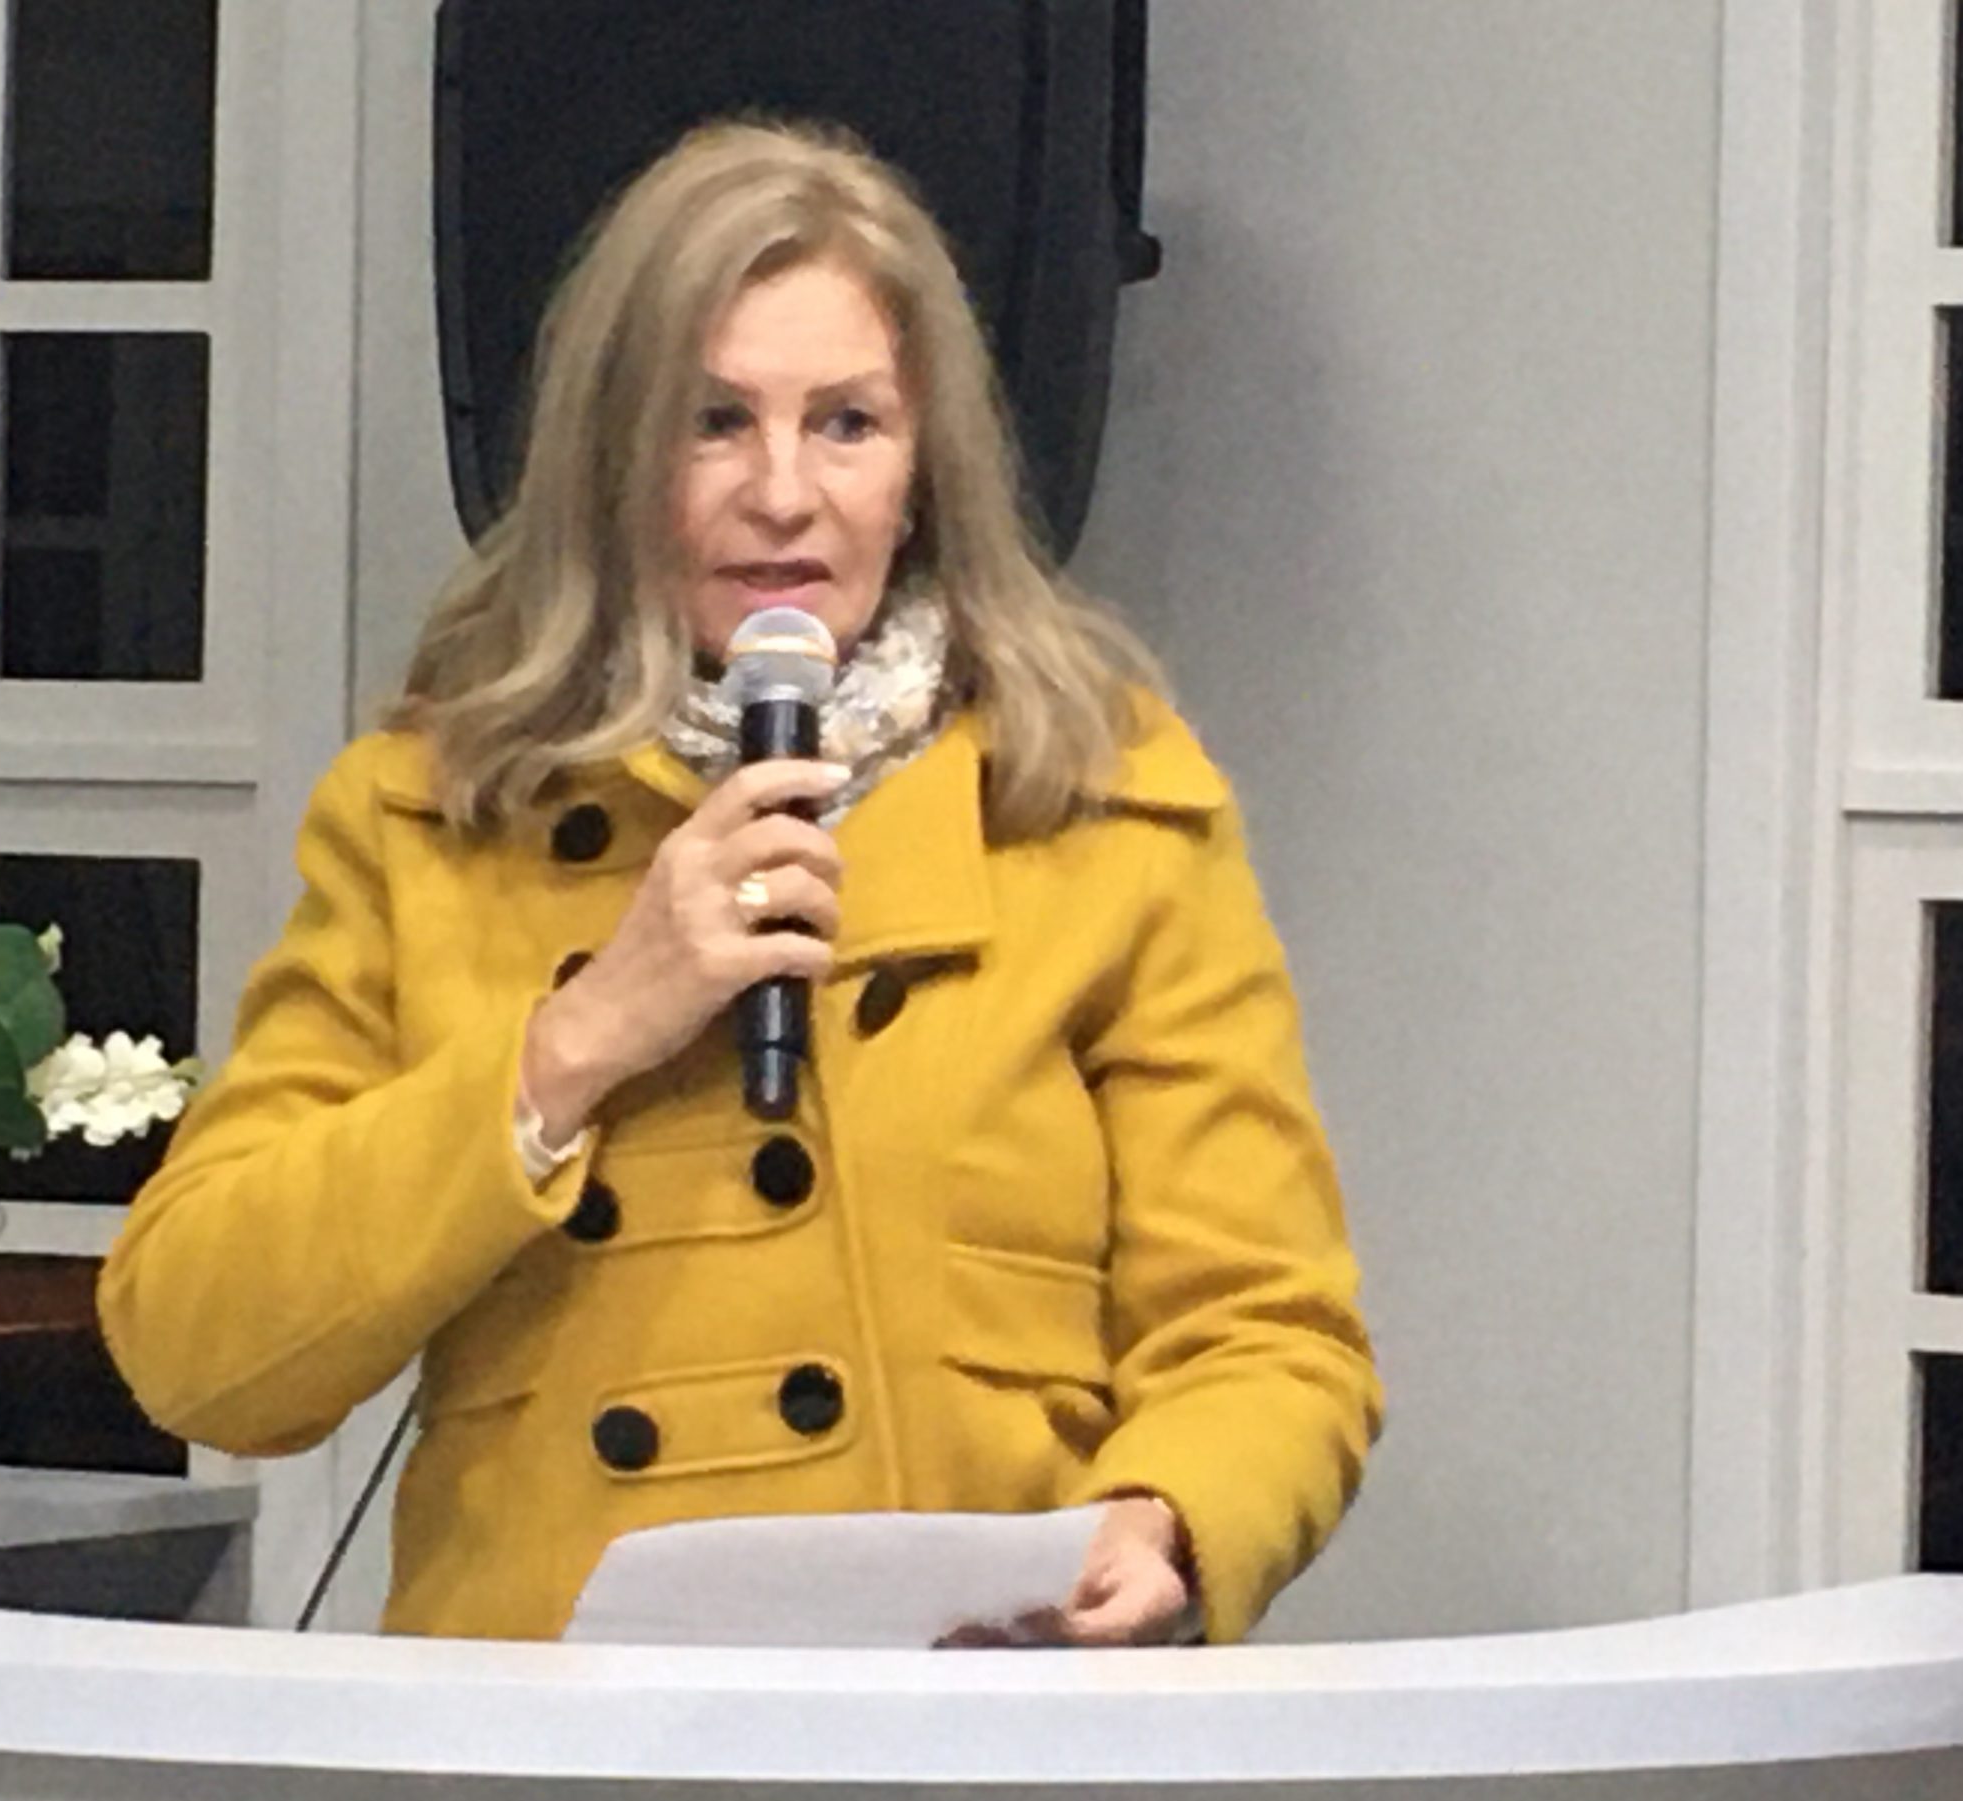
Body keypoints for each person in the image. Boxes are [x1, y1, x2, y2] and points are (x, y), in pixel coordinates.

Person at [97, 120, 1382, 1646]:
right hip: (549, 1744)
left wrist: (1171, 1519)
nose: (784, 494)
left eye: (847, 424)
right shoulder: (435, 813)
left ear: (925, 467)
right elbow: (197, 1349)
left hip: (965, 1721)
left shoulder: (1098, 805)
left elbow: (1267, 1332)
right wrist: (580, 1038)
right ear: (615, 458)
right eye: (715, 423)